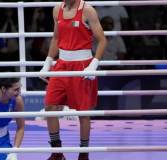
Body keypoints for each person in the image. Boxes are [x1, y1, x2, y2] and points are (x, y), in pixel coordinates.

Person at [40, 0, 107, 160]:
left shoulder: (88, 10)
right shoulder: (57, 9)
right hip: (61, 65)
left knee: (83, 113)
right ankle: (57, 152)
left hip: (82, 65)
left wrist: (93, 64)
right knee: (50, 106)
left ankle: (84, 154)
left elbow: (103, 40)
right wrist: (48, 61)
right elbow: (56, 38)